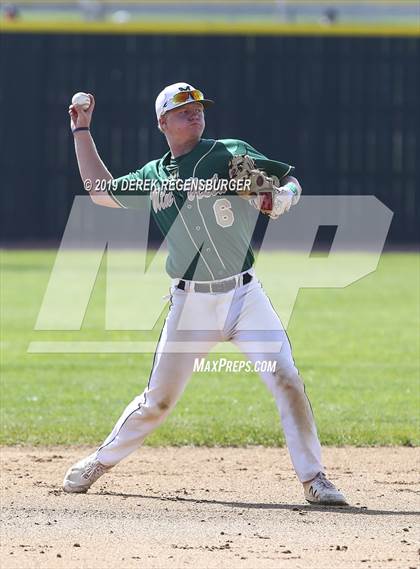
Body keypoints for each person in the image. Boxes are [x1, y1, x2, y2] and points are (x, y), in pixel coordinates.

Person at [63, 82, 348, 506]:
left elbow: (289, 180)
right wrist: (81, 131)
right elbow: (98, 191)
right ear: (162, 122)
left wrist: (284, 197)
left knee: (286, 378)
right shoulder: (153, 177)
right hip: (190, 304)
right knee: (157, 402)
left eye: (197, 106)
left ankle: (315, 479)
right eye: (182, 109)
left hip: (245, 297)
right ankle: (100, 462)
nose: (193, 112)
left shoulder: (227, 152)